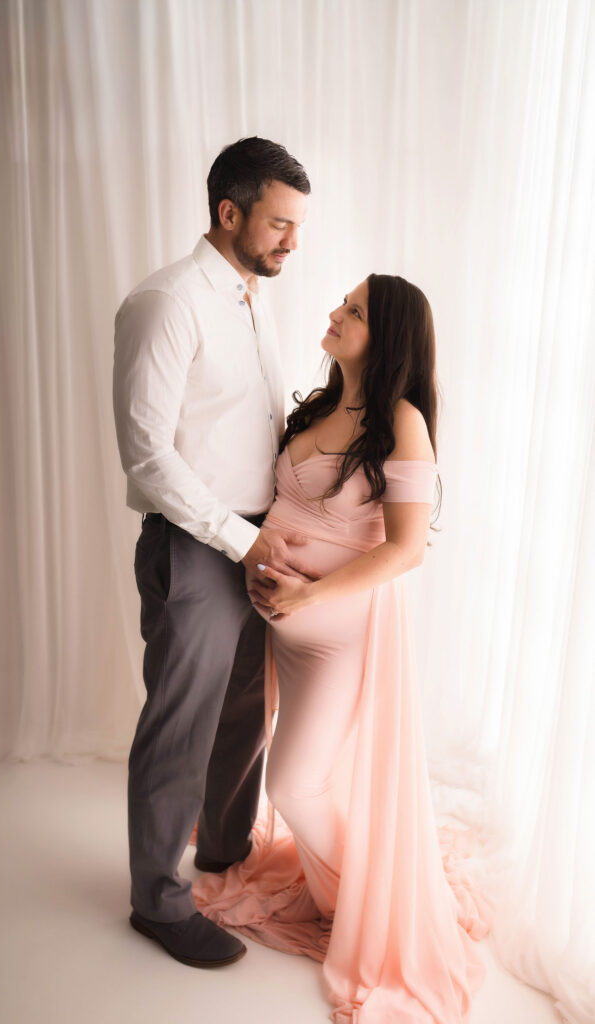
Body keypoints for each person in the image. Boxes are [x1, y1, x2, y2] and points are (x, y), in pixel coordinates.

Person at [193, 275, 492, 1021]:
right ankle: (351, 893)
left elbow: (404, 552)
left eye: (353, 311)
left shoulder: (401, 422)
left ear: (385, 335)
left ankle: (363, 904)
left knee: (294, 784)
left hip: (337, 640)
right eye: (342, 302)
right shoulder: (322, 405)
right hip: (281, 630)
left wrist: (305, 594)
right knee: (280, 772)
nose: (333, 312)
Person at [112, 137, 315, 969]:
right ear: (228, 213)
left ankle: (224, 856)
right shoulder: (165, 301)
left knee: (245, 711)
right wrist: (240, 538)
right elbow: (148, 454)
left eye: (296, 225)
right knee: (181, 723)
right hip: (197, 543)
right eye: (278, 223)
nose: (291, 243)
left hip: (254, 539)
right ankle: (155, 904)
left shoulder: (247, 295)